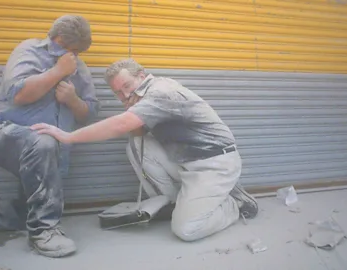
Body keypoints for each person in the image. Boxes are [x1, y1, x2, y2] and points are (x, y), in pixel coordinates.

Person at [31, 59, 258, 242]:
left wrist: (68, 137)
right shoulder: (144, 96)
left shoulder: (162, 92)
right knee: (137, 145)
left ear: (142, 76)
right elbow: (136, 134)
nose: (124, 96)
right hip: (187, 160)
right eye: (118, 93)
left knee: (187, 230)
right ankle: (177, 202)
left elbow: (120, 125)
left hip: (214, 163)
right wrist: (134, 110)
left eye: (127, 86)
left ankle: (234, 202)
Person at [0, 15, 100, 258]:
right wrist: (58, 72)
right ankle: (45, 231)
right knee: (43, 139)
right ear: (59, 39)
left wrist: (73, 100)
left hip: (48, 152)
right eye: (71, 49)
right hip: (5, 135)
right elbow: (19, 95)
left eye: (77, 53)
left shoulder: (79, 68)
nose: (73, 56)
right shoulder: (29, 50)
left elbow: (90, 113)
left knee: (27, 212)